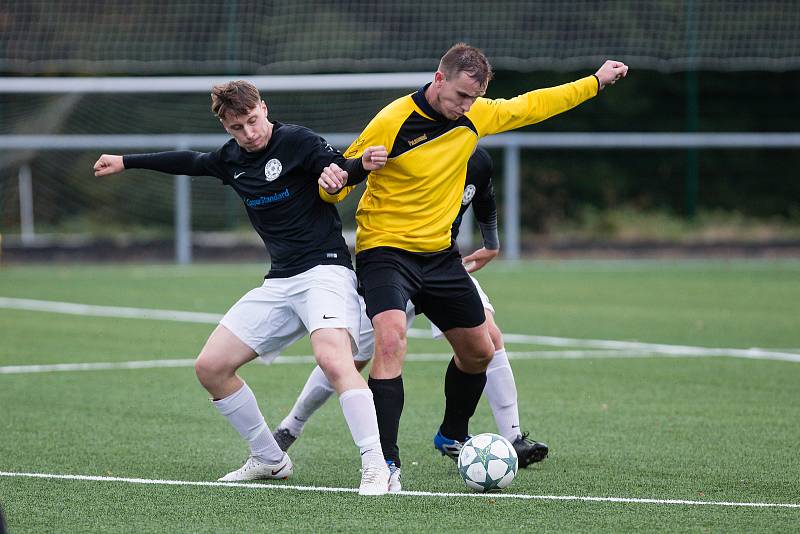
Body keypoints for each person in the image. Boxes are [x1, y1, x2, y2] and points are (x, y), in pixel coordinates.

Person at [316, 43, 628, 488]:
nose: (466, 106)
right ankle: (385, 465)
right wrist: (333, 183)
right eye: (461, 95)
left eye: (474, 98)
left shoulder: (474, 114)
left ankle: (451, 433)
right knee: (389, 341)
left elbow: (533, 105)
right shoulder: (392, 120)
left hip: (440, 257)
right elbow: (340, 182)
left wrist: (594, 82)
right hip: (384, 251)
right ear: (439, 79)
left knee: (481, 351)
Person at [92, 80, 392, 496]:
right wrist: (126, 161)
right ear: (226, 127)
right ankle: (270, 459)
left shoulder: (297, 141)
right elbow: (188, 161)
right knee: (211, 367)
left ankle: (376, 467)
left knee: (333, 360)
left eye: (253, 121)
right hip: (280, 280)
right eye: (237, 127)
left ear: (264, 108)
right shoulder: (230, 159)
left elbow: (338, 167)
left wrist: (357, 166)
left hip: (326, 270)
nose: (249, 133)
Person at [273, 148, 547, 490]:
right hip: (390, 265)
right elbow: (347, 179)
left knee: (487, 340)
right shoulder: (402, 150)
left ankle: (506, 437)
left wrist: (491, 243)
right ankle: (290, 426)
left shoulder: (475, 158)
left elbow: (485, 195)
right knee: (348, 359)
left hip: (444, 266)